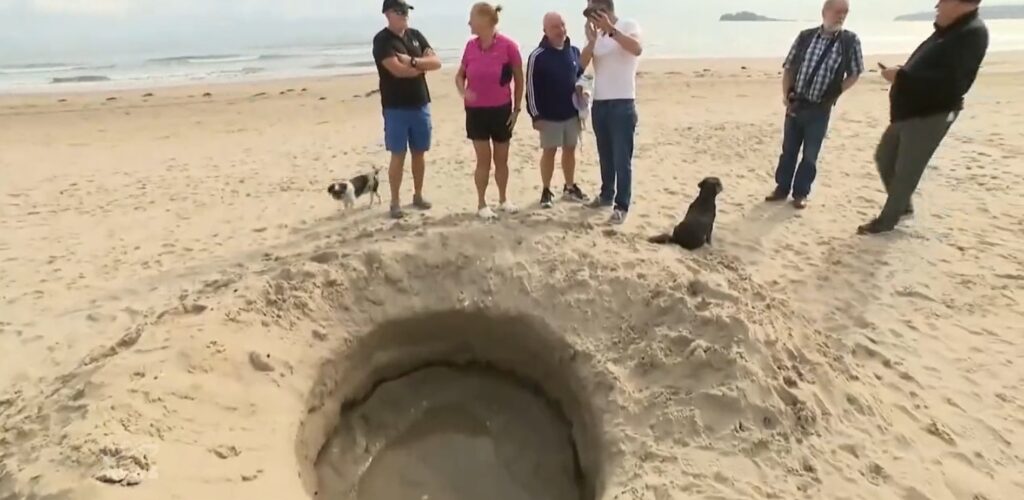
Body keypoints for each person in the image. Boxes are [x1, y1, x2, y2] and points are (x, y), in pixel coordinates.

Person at [858, 0, 988, 235]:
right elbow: (927, 67)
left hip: (931, 114)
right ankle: (902, 206)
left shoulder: (972, 34)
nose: (937, 6)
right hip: (908, 112)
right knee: (884, 157)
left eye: (943, 1)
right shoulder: (947, 31)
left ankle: (888, 220)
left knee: (907, 170)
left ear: (960, 4)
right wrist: (903, 71)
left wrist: (901, 77)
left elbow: (951, 83)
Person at [765, 0, 864, 210]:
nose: (841, 16)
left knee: (810, 154)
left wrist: (836, 91)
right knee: (788, 150)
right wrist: (786, 94)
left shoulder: (849, 41)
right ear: (824, 12)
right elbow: (790, 67)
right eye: (838, 11)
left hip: (820, 109)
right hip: (796, 104)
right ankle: (781, 188)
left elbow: (855, 73)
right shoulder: (805, 37)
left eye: (845, 13)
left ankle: (801, 193)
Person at [372, 0, 443, 219]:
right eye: (399, 11)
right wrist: (420, 66)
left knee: (419, 152)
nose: (404, 15)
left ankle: (418, 195)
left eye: (406, 11)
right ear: (387, 14)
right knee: (398, 154)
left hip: (420, 103)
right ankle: (395, 201)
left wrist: (412, 61)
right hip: (396, 107)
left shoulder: (415, 35)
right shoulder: (382, 40)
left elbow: (436, 62)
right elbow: (397, 71)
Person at [456, 2, 525, 220]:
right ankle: (482, 204)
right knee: (483, 160)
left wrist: (516, 109)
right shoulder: (470, 46)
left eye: (472, 18)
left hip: (501, 110)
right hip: (476, 113)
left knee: (501, 159)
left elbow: (519, 78)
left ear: (485, 20)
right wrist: (463, 92)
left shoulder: (509, 46)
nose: (469, 22)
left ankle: (504, 199)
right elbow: (459, 76)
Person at [581, 0, 642, 225]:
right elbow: (582, 63)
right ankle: (607, 195)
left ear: (605, 9)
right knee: (605, 155)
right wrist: (591, 41)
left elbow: (636, 48)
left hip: (623, 102)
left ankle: (621, 205)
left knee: (621, 158)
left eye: (593, 10)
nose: (590, 16)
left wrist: (611, 30)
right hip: (600, 103)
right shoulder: (597, 36)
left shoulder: (627, 24)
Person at [526, 12, 591, 209]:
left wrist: (584, 91)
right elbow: (531, 89)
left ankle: (569, 187)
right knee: (549, 152)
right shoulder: (538, 56)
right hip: (548, 117)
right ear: (545, 30)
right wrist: (535, 115)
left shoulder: (574, 52)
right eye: (555, 27)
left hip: (571, 114)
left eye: (562, 25)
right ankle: (546, 190)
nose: (560, 30)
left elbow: (581, 76)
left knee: (570, 150)